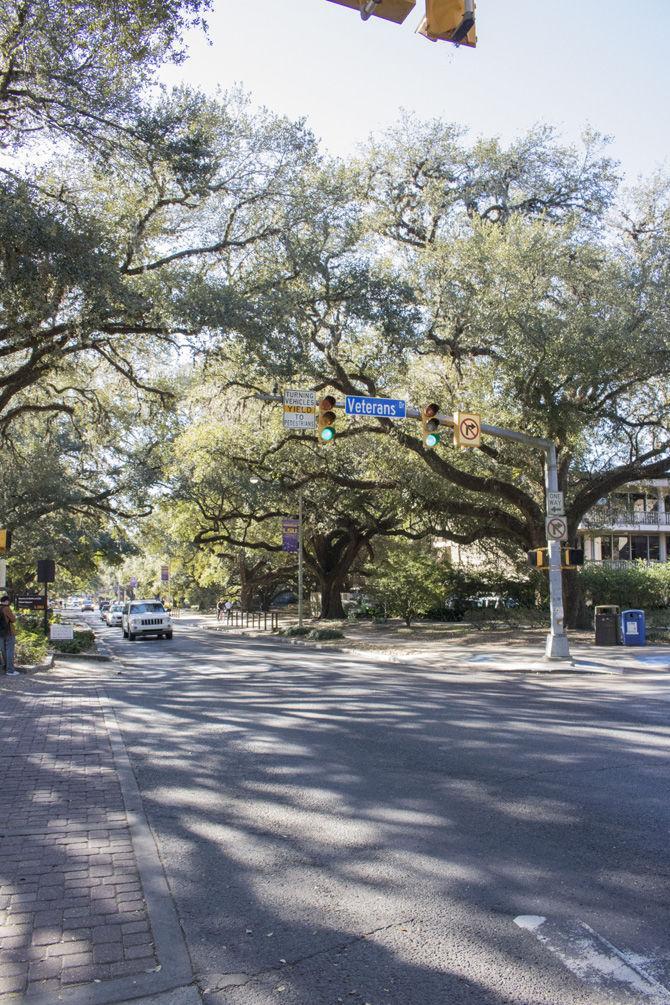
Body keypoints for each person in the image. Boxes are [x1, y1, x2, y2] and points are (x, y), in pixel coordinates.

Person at [0, 596, 19, 676]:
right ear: (7, 601)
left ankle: (5, 667)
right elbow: (13, 619)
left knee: (3, 650)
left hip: (0, 633)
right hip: (8, 632)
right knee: (9, 651)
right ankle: (10, 670)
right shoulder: (6, 609)